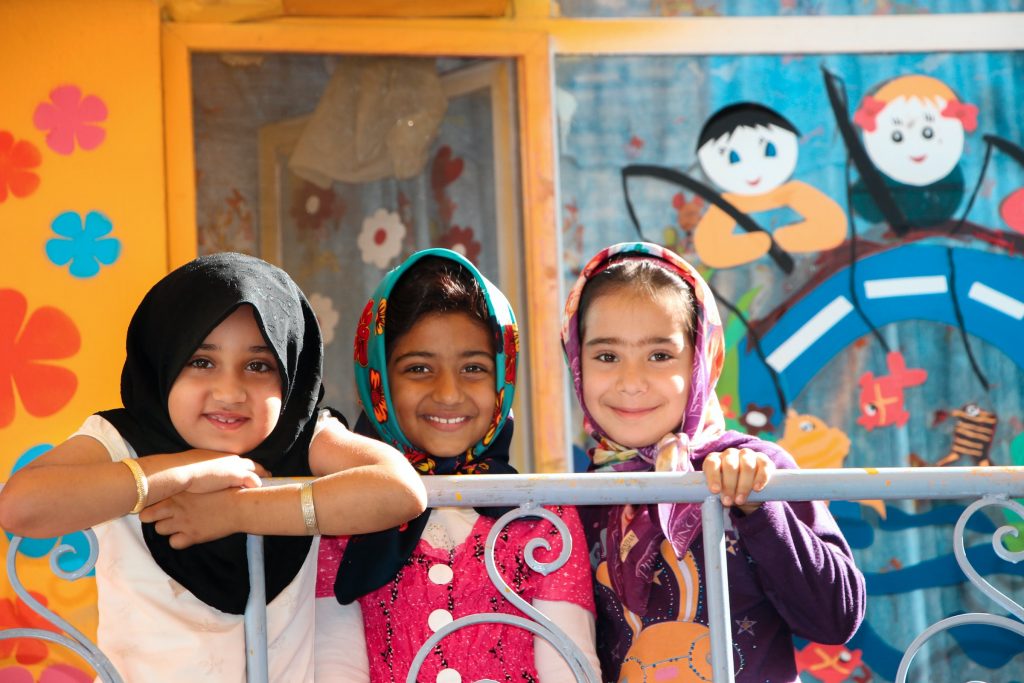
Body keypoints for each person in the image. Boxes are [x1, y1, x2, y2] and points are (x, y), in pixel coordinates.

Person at [0, 252, 427, 682]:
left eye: (259, 365)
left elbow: (401, 491)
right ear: (164, 361)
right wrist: (180, 469)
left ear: (291, 374)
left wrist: (237, 512)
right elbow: (20, 506)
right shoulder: (123, 438)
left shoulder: (302, 436)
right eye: (201, 361)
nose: (229, 390)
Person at [561, 242, 866, 682]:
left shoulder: (760, 469)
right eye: (607, 356)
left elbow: (837, 617)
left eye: (660, 356)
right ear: (575, 360)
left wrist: (759, 509)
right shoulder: (581, 498)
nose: (631, 383)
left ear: (708, 357)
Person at [315, 248, 602, 682]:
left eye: (473, 367)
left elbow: (571, 668)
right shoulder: (343, 513)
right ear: (376, 380)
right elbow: (333, 666)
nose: (449, 393)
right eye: (419, 368)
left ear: (503, 376)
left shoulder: (543, 516)